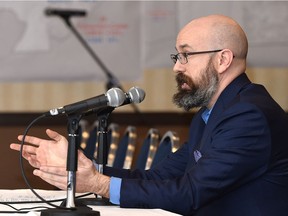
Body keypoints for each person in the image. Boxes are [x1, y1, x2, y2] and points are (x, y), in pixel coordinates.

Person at [10, 14, 288, 216]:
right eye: (176, 56)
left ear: (223, 59)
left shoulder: (247, 117)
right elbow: (159, 176)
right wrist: (88, 170)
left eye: (186, 55)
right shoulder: (212, 114)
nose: (177, 67)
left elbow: (189, 193)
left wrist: (98, 183)